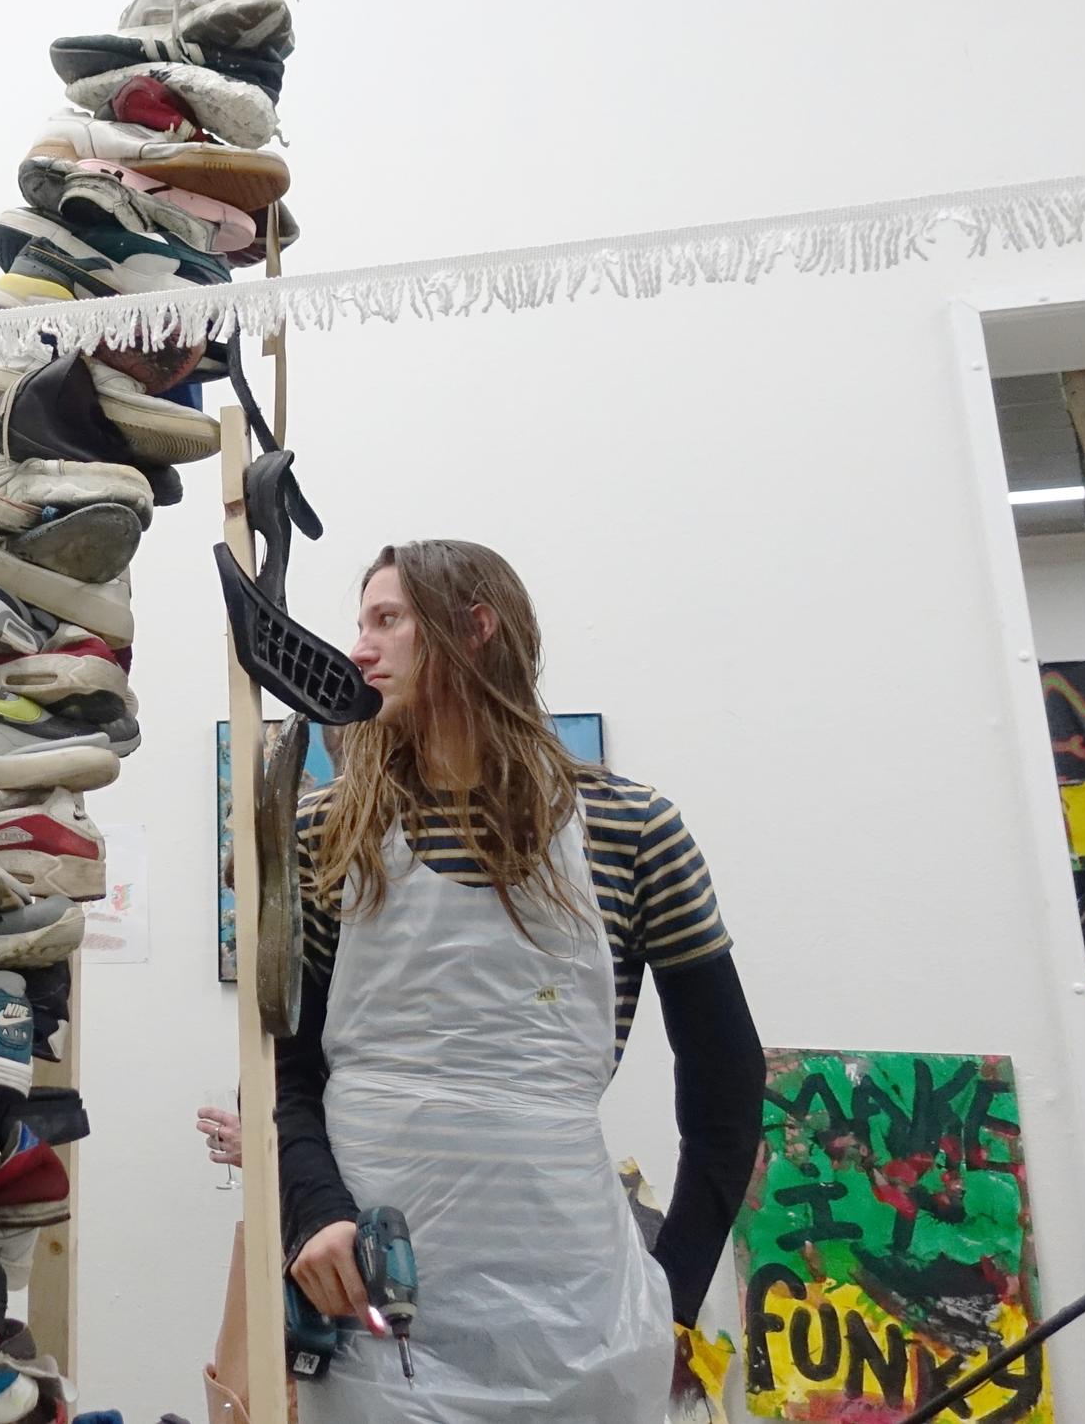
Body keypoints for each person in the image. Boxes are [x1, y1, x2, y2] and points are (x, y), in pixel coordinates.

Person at [275, 541, 765, 1420]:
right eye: (361, 623)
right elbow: (288, 1069)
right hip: (376, 1313)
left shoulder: (633, 828)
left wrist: (676, 1287)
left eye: (388, 619)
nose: (359, 649)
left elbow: (728, 1086)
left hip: (578, 1318)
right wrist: (313, 1211)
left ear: (475, 628)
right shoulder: (329, 832)